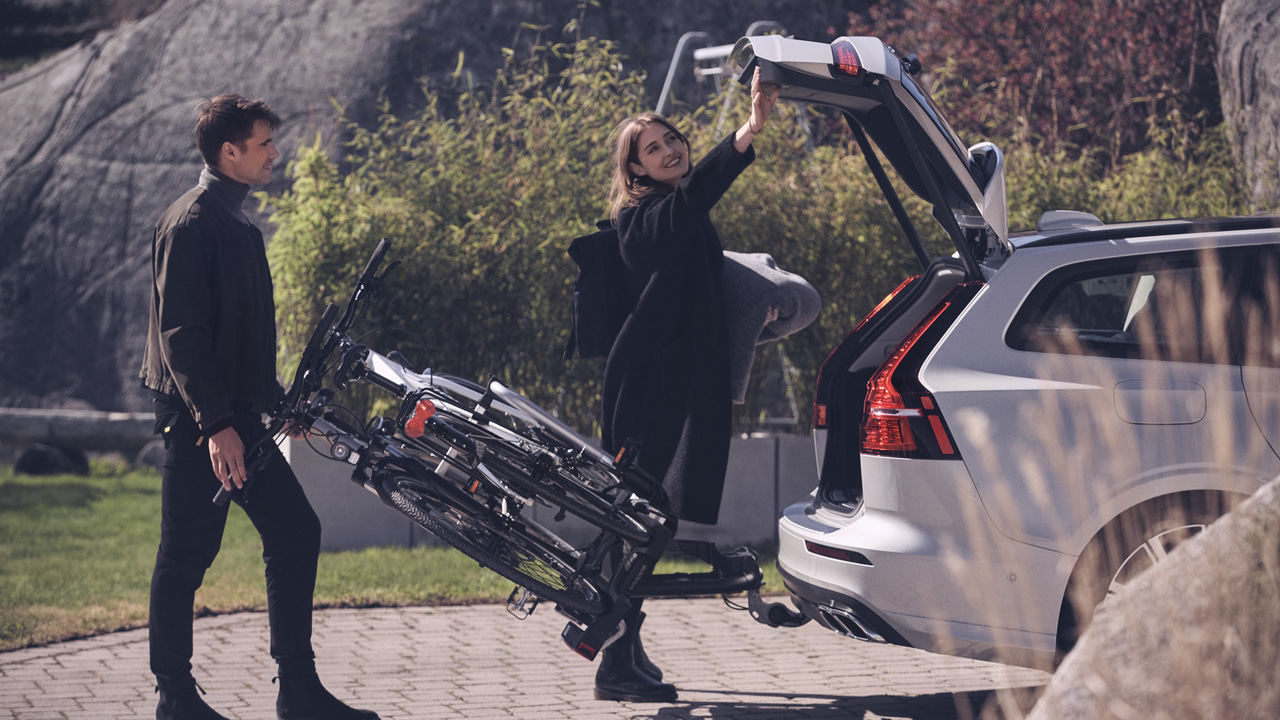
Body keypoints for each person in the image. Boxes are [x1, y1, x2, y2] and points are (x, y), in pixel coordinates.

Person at [139, 94, 379, 720]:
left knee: (295, 530)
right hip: (199, 424)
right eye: (265, 143)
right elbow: (183, 335)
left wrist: (273, 401)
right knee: (186, 555)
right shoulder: (191, 223)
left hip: (236, 415)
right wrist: (217, 425)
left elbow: (238, 337)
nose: (276, 153)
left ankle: (298, 691)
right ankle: (174, 696)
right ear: (230, 152)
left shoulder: (237, 223)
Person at [595, 68, 781, 703]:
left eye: (672, 138)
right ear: (636, 169)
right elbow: (692, 201)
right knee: (634, 520)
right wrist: (747, 132)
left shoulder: (677, 214)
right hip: (647, 393)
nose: (670, 149)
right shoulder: (642, 218)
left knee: (650, 521)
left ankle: (626, 648)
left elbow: (704, 287)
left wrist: (759, 310)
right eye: (654, 148)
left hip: (678, 386)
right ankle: (612, 659)